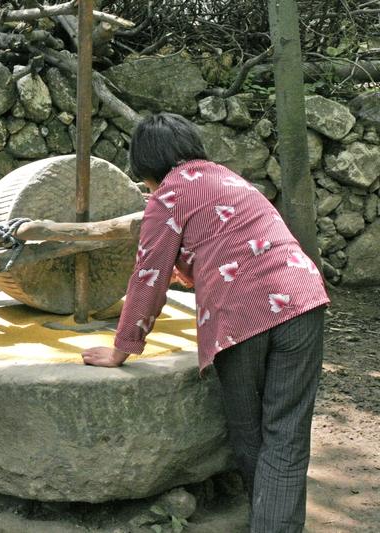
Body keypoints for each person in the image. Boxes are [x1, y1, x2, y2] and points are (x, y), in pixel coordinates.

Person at [81, 113, 330, 533]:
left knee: (250, 432)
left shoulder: (167, 198)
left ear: (147, 168)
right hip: (303, 298)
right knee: (286, 434)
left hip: (242, 315)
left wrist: (123, 348)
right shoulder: (229, 179)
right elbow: (240, 246)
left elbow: (149, 278)